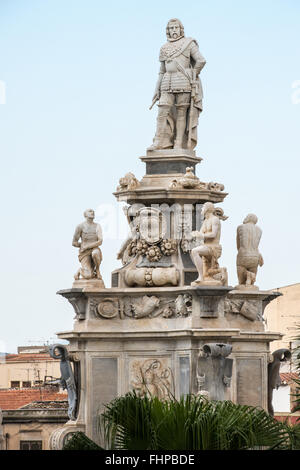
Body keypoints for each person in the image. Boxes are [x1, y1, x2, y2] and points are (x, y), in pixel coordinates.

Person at [148, 18, 206, 150]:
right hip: (166, 82)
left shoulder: (189, 43)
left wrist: (193, 73)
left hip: (183, 81)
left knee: (181, 113)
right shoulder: (163, 48)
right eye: (171, 28)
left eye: (176, 27)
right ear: (167, 31)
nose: (174, 30)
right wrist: (157, 89)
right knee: (162, 111)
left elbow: (201, 60)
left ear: (181, 29)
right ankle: (158, 141)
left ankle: (179, 143)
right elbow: (162, 71)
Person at [72, 208, 103, 280]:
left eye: (93, 211)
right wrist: (82, 245)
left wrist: (88, 246)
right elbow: (74, 242)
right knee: (88, 276)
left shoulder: (97, 226)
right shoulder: (80, 226)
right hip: (84, 253)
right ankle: (80, 270)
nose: (92, 212)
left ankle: (97, 270)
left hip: (94, 249)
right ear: (85, 214)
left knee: (96, 253)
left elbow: (100, 241)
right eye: (90, 211)